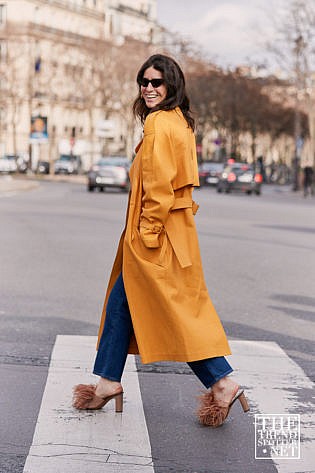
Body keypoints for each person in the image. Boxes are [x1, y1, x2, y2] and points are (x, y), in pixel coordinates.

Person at [73, 54, 249, 427]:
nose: (149, 88)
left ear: (171, 86)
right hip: (176, 233)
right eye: (144, 81)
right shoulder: (181, 122)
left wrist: (147, 235)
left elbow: (157, 187)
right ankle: (107, 382)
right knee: (125, 303)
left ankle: (222, 381)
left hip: (156, 236)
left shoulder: (157, 124)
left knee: (171, 312)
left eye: (157, 83)